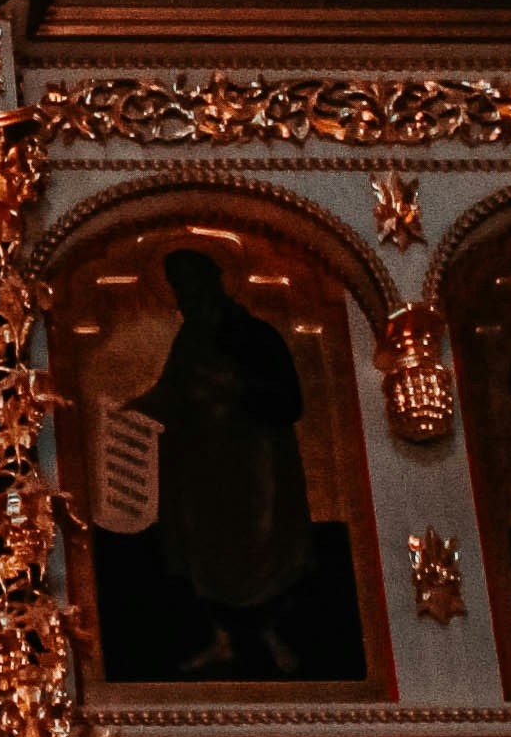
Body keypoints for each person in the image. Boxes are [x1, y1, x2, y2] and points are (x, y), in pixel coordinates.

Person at [92, 244, 356, 682]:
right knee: (204, 547)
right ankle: (222, 638)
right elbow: (171, 390)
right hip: (201, 467)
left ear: (212, 284)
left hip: (252, 461)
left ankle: (273, 636)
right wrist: (129, 410)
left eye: (192, 288)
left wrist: (234, 392)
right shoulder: (190, 338)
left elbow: (286, 399)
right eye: (180, 291)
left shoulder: (255, 336)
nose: (186, 299)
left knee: (259, 542)